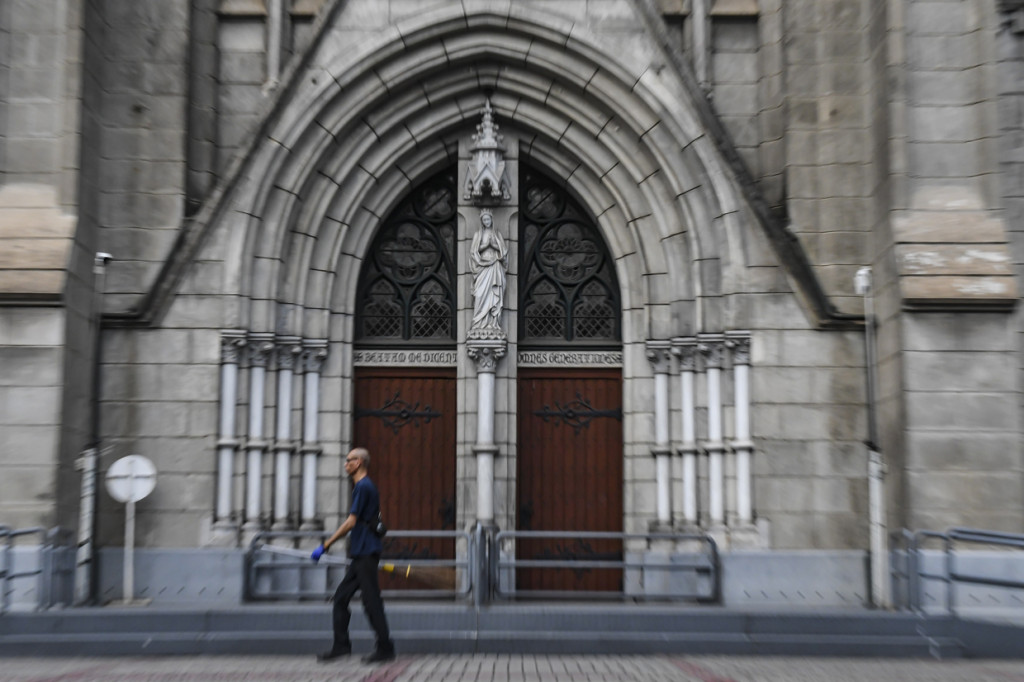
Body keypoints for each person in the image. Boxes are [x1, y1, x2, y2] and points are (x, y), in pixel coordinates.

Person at [311, 447, 395, 663]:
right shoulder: (365, 486)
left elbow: (351, 521)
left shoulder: (362, 487)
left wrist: (326, 545)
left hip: (366, 552)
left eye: (348, 460)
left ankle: (385, 648)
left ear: (358, 462)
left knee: (371, 601)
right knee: (341, 598)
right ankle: (341, 646)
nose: (345, 464)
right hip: (362, 552)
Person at [469, 210, 507, 331]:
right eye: (484, 220)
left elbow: (503, 251)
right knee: (480, 294)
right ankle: (479, 323)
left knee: (494, 294)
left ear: (492, 219)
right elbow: (473, 251)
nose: (487, 222)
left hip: (495, 265)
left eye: (488, 219)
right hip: (482, 266)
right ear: (482, 221)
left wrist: (493, 245)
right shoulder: (478, 234)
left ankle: (493, 323)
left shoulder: (497, 234)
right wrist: (486, 245)